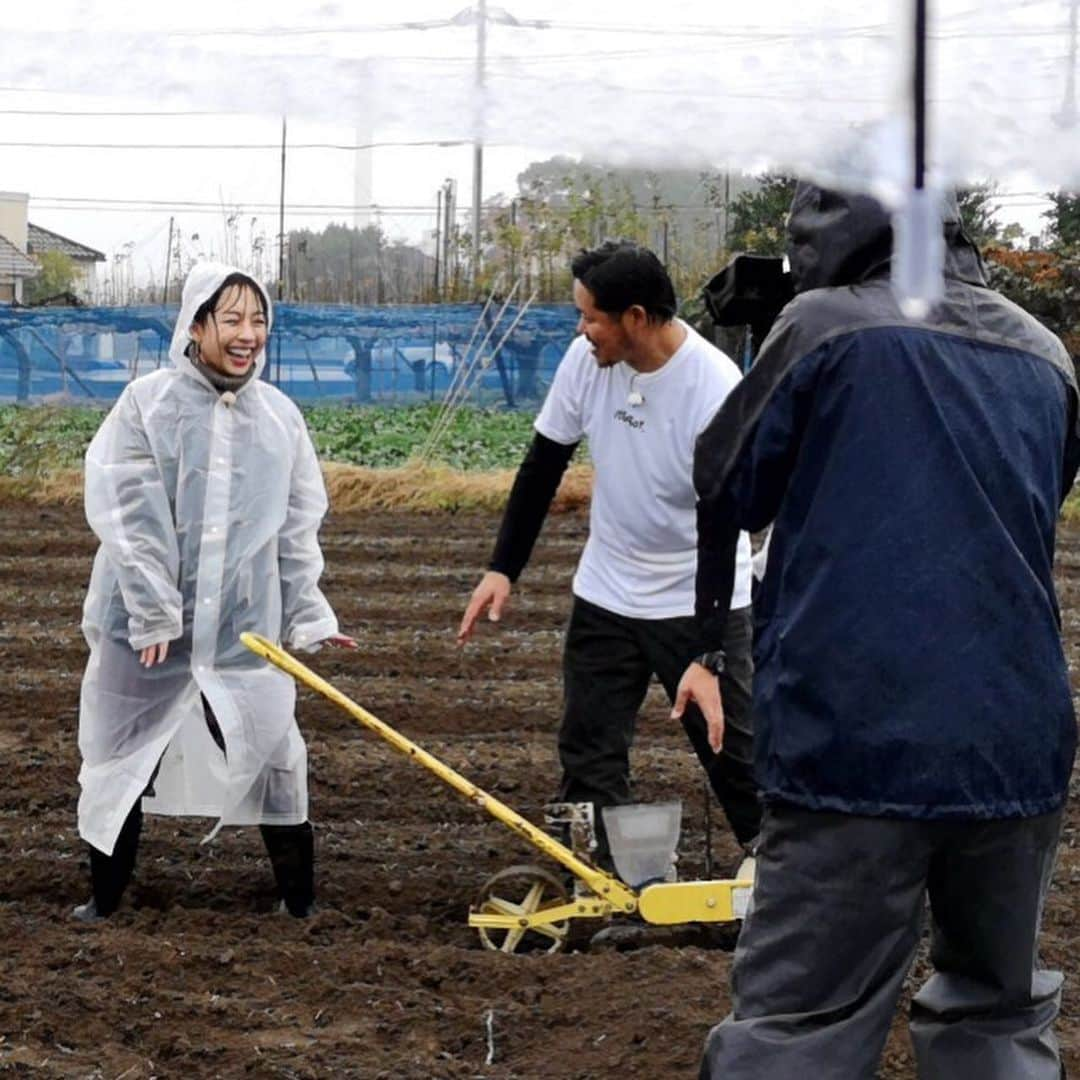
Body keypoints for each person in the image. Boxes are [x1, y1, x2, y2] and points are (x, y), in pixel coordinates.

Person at [678, 184, 1079, 1079]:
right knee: (997, 1015)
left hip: (854, 739)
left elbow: (726, 482)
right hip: (1016, 741)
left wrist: (764, 341)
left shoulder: (822, 325)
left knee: (803, 1023)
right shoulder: (1044, 350)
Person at [458, 240, 760, 870]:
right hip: (608, 592)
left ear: (637, 319)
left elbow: (721, 529)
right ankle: (606, 880)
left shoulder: (713, 388)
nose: (581, 329)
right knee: (588, 751)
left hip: (696, 595)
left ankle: (785, 877)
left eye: (592, 317)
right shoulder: (585, 361)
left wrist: (705, 653)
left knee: (736, 755)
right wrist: (502, 568)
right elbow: (544, 463)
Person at [75, 263, 355, 922]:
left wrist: (308, 613)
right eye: (232, 319)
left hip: (241, 629)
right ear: (196, 325)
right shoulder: (148, 405)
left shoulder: (279, 418)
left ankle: (301, 905)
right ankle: (105, 902)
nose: (247, 334)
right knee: (121, 754)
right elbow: (129, 512)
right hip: (145, 632)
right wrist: (152, 612)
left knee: (273, 755)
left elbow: (294, 526)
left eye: (258, 321)